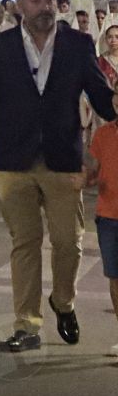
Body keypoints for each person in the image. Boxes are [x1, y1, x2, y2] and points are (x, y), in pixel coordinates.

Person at [0, 0, 116, 353]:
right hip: (13, 161)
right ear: (19, 5)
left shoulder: (78, 45)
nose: (44, 7)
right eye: (35, 0)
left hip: (64, 160)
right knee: (25, 243)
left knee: (69, 242)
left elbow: (101, 97)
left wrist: (114, 108)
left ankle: (63, 302)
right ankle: (27, 325)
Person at [85, 117, 118, 357]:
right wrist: (85, 179)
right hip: (108, 216)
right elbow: (94, 171)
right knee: (115, 280)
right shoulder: (103, 134)